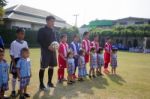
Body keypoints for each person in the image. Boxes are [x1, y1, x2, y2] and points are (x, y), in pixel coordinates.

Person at [37, 16, 57, 90]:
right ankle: (41, 84)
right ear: (47, 21)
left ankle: (49, 82)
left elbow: (55, 40)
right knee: (43, 67)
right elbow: (39, 40)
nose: (53, 23)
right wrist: (48, 47)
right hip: (45, 51)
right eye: (52, 21)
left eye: (54, 21)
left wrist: (55, 46)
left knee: (51, 66)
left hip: (53, 51)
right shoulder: (42, 30)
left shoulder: (53, 31)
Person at [10, 28, 28, 97]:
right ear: (17, 34)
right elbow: (11, 54)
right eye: (21, 33)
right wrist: (14, 64)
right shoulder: (13, 43)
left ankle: (21, 91)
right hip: (16, 60)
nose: (22, 35)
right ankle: (13, 90)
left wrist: (27, 61)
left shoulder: (25, 43)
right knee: (14, 76)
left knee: (22, 77)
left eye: (23, 34)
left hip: (23, 62)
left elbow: (27, 52)